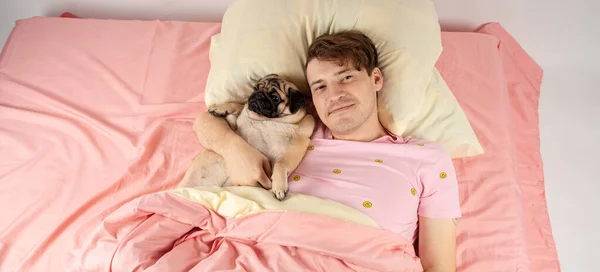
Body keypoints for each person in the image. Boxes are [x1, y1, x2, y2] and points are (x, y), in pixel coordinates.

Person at [193, 30, 461, 271]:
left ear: (376, 78)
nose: (334, 94)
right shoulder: (292, 128)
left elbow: (439, 265)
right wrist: (233, 149)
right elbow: (207, 122)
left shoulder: (426, 158)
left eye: (346, 77)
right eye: (320, 86)